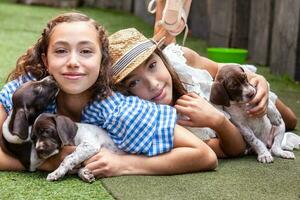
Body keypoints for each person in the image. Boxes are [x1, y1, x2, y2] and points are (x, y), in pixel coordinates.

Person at [0, 12, 218, 177]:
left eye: (86, 51)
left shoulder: (118, 111)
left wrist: (124, 164)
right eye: (60, 51)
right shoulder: (30, 91)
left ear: (102, 62)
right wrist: (46, 163)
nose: (73, 62)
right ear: (46, 61)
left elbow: (203, 155)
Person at [109, 28, 297, 159]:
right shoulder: (155, 122)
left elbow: (220, 68)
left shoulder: (182, 60)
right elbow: (235, 149)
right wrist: (217, 121)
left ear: (162, 57)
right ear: (127, 92)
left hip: (241, 96)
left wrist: (257, 80)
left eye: (152, 65)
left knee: (290, 120)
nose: (153, 83)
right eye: (134, 81)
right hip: (243, 133)